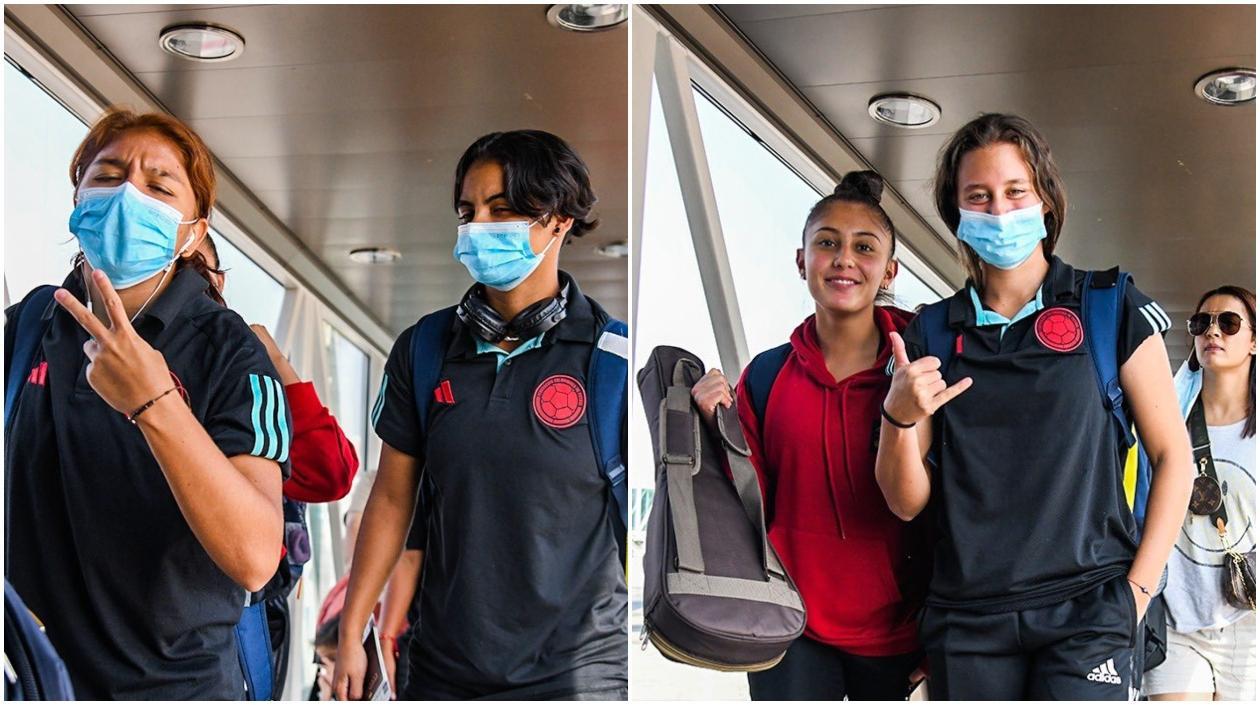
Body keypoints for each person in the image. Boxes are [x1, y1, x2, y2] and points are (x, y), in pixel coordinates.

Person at [875, 113, 1193, 700]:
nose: (999, 210)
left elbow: (1175, 457)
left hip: (1089, 612)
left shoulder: (1108, 307)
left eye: (1015, 190)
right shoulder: (931, 334)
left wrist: (1136, 594)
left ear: (1044, 199)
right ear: (958, 214)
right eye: (979, 196)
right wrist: (898, 417)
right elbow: (905, 501)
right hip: (968, 620)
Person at [4, 108, 289, 699]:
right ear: (78, 196)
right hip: (37, 682)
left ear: (193, 232)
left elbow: (256, 556)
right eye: (107, 175)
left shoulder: (229, 351)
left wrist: (153, 402)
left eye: (159, 185)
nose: (128, 193)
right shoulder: (29, 324)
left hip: (172, 687)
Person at [334, 130, 627, 700]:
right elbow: (392, 498)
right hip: (446, 666)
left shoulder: (612, 360)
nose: (478, 226)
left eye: (504, 208)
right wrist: (353, 628)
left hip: (577, 673)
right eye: (468, 211)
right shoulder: (423, 350)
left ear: (560, 219)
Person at [690, 171, 928, 700]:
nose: (844, 259)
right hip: (789, 627)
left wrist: (945, 634)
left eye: (863, 247)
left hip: (899, 636)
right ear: (801, 261)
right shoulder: (767, 375)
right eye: (826, 243)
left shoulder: (918, 369)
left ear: (889, 270)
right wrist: (714, 427)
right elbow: (746, 501)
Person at [1145, 286, 1256, 701]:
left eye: (1228, 323)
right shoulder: (1165, 421)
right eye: (1201, 323)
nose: (1213, 332)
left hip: (1248, 624)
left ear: (1254, 342)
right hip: (1177, 616)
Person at [198, 233, 360, 504]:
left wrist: (274, 360)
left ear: (220, 280)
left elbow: (329, 474)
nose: (183, 282)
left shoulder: (242, 369)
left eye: (196, 268)